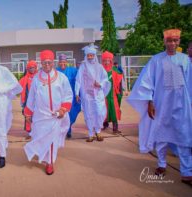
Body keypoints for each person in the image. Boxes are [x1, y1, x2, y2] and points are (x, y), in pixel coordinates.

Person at [127, 29, 192, 185]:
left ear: (179, 42)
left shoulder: (185, 60)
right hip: (162, 104)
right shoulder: (156, 60)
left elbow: (189, 83)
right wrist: (149, 101)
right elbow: (147, 82)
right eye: (169, 40)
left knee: (183, 135)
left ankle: (187, 172)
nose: (172, 43)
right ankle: (162, 164)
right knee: (161, 135)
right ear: (165, 42)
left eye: (175, 40)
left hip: (182, 105)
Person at [23, 50, 73, 175]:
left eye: (49, 62)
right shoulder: (36, 79)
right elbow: (31, 98)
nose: (47, 65)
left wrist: (63, 109)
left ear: (53, 62)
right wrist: (28, 114)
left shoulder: (61, 78)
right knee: (40, 136)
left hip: (56, 116)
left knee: (51, 139)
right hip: (40, 116)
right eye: (44, 63)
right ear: (41, 63)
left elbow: (68, 95)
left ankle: (50, 162)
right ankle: (44, 155)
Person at [75, 45, 111, 142]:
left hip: (98, 94)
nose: (90, 57)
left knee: (99, 112)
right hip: (87, 94)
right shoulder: (83, 66)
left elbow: (105, 79)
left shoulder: (99, 67)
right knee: (89, 113)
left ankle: (98, 131)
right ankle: (91, 133)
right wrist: (77, 92)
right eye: (88, 55)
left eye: (92, 55)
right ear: (86, 56)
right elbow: (78, 80)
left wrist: (100, 84)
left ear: (94, 55)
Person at [56, 54, 81, 139]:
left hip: (71, 97)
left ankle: (68, 129)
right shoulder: (56, 71)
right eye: (61, 62)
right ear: (58, 62)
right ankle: (64, 131)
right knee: (61, 115)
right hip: (59, 97)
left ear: (66, 62)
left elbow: (80, 80)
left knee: (71, 115)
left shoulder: (73, 70)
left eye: (64, 62)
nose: (62, 63)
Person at [101, 51, 123, 134]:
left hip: (113, 94)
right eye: (105, 60)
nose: (106, 62)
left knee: (114, 110)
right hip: (104, 95)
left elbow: (120, 82)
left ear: (111, 61)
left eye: (108, 60)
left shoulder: (115, 70)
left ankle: (115, 127)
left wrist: (120, 91)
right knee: (104, 110)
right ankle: (105, 123)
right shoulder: (100, 70)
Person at [19, 60, 38, 140]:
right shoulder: (24, 79)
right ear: (27, 69)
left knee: (37, 118)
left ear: (36, 68)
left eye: (33, 67)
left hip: (38, 102)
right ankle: (30, 133)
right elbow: (16, 87)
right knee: (28, 118)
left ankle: (37, 133)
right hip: (27, 102)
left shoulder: (39, 77)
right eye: (30, 68)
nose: (32, 69)